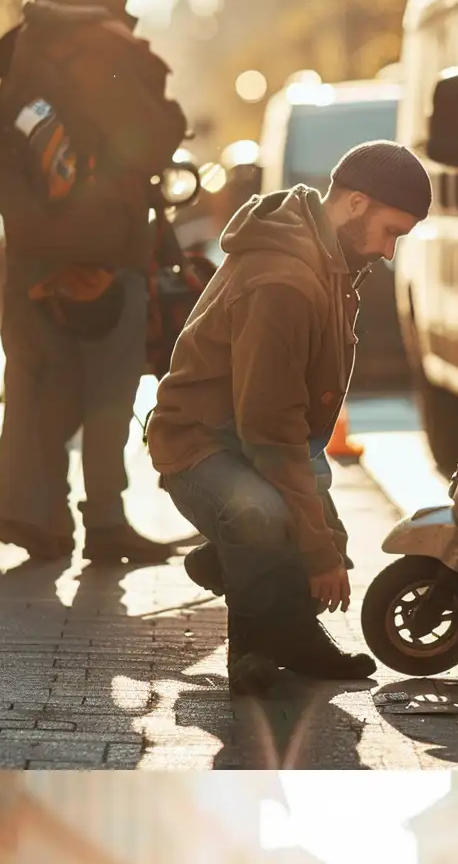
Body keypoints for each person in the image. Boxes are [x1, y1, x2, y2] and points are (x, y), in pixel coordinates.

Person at [146, 140, 431, 693]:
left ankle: (242, 578)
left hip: (254, 439)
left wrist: (323, 544)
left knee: (326, 541)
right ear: (355, 204)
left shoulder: (327, 257)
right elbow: (270, 430)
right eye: (391, 231)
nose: (391, 252)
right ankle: (252, 653)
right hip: (200, 445)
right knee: (265, 518)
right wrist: (314, 549)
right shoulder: (285, 279)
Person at [0, 0, 189, 565]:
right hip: (102, 250)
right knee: (106, 388)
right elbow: (147, 139)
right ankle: (104, 521)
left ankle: (30, 513)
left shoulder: (26, 46)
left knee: (37, 384)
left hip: (30, 255)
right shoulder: (106, 49)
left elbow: (2, 151)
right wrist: (172, 118)